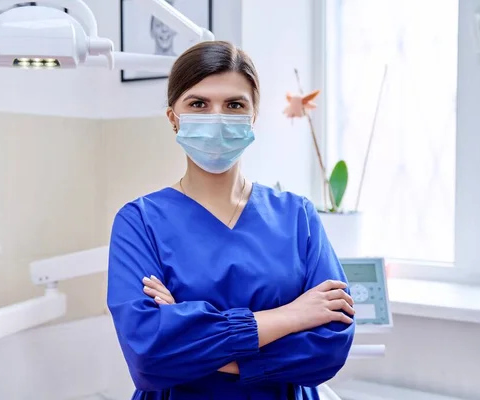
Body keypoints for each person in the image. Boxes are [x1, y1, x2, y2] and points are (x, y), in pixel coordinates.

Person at [107, 40, 355, 400]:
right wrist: (291, 316)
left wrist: (188, 334)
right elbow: (148, 356)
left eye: (234, 105)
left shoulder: (297, 216)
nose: (217, 118)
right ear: (173, 117)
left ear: (253, 116)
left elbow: (329, 348)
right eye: (198, 104)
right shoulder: (140, 222)